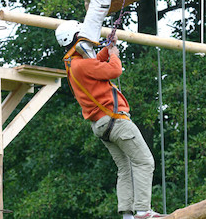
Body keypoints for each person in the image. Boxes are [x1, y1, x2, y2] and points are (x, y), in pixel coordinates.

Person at [55, 20, 166, 219]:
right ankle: (142, 211)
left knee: (125, 167)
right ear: (76, 39)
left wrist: (107, 50)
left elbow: (95, 65)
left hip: (102, 125)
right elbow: (114, 71)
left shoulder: (74, 65)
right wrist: (114, 54)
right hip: (116, 122)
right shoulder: (83, 64)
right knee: (145, 162)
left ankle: (127, 214)